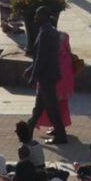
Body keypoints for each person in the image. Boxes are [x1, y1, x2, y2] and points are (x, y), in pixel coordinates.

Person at [29, 10, 70, 143]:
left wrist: (33, 76)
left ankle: (61, 135)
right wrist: (30, 69)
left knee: (52, 107)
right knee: (39, 106)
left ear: (44, 17)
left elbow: (42, 57)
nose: (35, 17)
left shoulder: (45, 33)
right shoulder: (50, 30)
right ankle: (28, 129)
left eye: (37, 15)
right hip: (49, 74)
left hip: (46, 76)